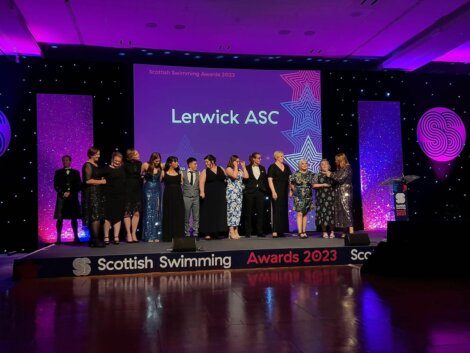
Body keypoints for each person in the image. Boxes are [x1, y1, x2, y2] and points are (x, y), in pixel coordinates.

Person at [53, 155, 81, 244]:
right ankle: (58, 239)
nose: (65, 162)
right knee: (60, 218)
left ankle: (76, 238)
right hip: (62, 198)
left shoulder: (76, 172)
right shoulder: (58, 172)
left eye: (66, 160)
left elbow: (78, 185)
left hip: (72, 198)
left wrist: (71, 192)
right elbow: (56, 185)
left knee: (74, 217)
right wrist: (62, 193)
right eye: (63, 160)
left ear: (70, 161)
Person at [81, 147, 106, 248]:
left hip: (98, 192)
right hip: (91, 193)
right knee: (95, 215)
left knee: (97, 215)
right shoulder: (87, 165)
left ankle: (93, 239)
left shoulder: (96, 164)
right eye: (97, 154)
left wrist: (101, 179)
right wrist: (101, 181)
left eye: (99, 154)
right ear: (91, 154)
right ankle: (95, 240)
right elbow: (87, 180)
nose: (99, 156)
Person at [199, 154, 227, 240]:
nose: (206, 163)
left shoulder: (221, 168)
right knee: (209, 213)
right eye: (205, 162)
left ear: (212, 161)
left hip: (220, 194)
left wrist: (226, 192)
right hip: (209, 195)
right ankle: (208, 233)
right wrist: (202, 192)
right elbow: (201, 182)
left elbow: (225, 180)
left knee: (219, 212)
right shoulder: (205, 171)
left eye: (207, 162)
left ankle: (218, 232)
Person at [325, 153, 354, 238]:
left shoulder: (347, 168)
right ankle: (345, 231)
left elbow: (341, 179)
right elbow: (335, 180)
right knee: (341, 211)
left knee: (346, 209)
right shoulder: (340, 169)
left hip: (345, 192)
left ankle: (351, 232)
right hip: (339, 191)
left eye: (336, 160)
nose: (335, 161)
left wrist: (331, 174)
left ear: (340, 160)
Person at [103, 152, 126, 245]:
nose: (117, 162)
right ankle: (106, 236)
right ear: (112, 159)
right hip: (109, 196)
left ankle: (116, 237)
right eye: (115, 160)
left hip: (119, 196)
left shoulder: (122, 169)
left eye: (119, 161)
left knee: (117, 216)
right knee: (107, 216)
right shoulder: (107, 169)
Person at [243, 152, 268, 238]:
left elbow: (265, 180)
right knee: (248, 212)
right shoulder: (247, 168)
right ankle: (248, 232)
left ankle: (260, 231)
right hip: (250, 192)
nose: (260, 159)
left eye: (260, 158)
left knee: (260, 212)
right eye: (258, 158)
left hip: (260, 192)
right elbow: (244, 180)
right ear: (253, 158)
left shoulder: (263, 168)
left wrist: (264, 190)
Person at [268, 151, 292, 237]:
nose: (283, 157)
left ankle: (281, 230)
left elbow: (290, 179)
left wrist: (291, 190)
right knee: (276, 210)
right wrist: (273, 192)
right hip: (276, 190)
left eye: (283, 156)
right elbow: (270, 180)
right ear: (276, 157)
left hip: (284, 190)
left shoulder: (286, 166)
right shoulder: (272, 167)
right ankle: (275, 230)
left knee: (283, 209)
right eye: (281, 156)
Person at [289, 159, 315, 238]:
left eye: (306, 163)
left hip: (308, 196)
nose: (304, 165)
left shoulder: (311, 174)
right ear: (299, 165)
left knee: (305, 213)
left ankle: (304, 231)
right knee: (299, 213)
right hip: (298, 196)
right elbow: (291, 183)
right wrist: (293, 191)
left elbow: (314, 184)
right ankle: (300, 232)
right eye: (302, 164)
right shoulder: (295, 174)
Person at [141, 152, 164, 242]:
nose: (157, 160)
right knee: (148, 210)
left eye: (159, 158)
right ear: (152, 158)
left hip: (157, 189)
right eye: (156, 158)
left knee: (157, 211)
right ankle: (149, 235)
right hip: (148, 189)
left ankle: (156, 235)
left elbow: (161, 179)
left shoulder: (161, 166)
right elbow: (141, 175)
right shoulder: (145, 165)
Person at [162, 156, 185, 241]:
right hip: (168, 196)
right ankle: (168, 236)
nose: (177, 163)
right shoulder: (164, 173)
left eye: (177, 161)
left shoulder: (180, 173)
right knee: (168, 214)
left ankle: (178, 235)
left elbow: (182, 184)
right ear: (170, 163)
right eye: (175, 161)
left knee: (178, 214)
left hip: (178, 196)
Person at [225, 155, 249, 240]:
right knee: (231, 212)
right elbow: (234, 176)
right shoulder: (229, 169)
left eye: (238, 161)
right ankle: (231, 231)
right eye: (237, 161)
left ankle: (236, 231)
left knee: (237, 212)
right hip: (232, 193)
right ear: (233, 161)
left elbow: (246, 176)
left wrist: (243, 167)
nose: (238, 163)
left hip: (239, 194)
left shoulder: (239, 170)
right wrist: (235, 166)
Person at [123, 148, 142, 243]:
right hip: (127, 189)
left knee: (136, 212)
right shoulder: (124, 164)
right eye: (136, 153)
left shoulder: (139, 164)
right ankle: (128, 233)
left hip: (137, 189)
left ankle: (134, 233)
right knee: (127, 212)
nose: (139, 154)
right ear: (131, 155)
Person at [313, 159, 335, 239]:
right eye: (322, 164)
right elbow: (314, 185)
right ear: (320, 167)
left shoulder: (332, 174)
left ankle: (332, 231)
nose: (324, 165)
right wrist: (323, 184)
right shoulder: (317, 175)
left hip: (331, 197)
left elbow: (336, 183)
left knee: (331, 214)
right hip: (321, 197)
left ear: (328, 165)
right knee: (322, 214)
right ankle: (324, 232)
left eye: (326, 164)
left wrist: (329, 175)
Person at [182, 157, 200, 237]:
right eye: (195, 164)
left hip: (196, 197)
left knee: (196, 216)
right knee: (186, 216)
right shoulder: (183, 173)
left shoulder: (198, 173)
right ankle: (187, 232)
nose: (196, 165)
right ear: (189, 164)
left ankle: (196, 232)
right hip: (186, 197)